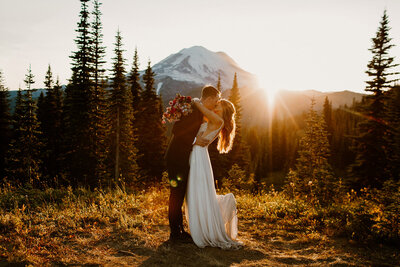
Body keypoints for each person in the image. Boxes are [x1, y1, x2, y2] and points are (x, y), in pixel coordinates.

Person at [184, 98, 243, 249]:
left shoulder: (218, 121)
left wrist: (196, 101)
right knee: (198, 191)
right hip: (198, 154)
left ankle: (204, 228)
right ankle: (202, 223)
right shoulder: (215, 120)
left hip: (199, 155)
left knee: (198, 191)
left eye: (218, 105)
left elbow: (202, 109)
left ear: (223, 110)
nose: (215, 107)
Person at [165, 85, 221, 243]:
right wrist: (196, 141)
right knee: (176, 194)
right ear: (208, 98)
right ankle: (175, 233)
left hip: (182, 157)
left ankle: (180, 229)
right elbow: (177, 130)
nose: (215, 105)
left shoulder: (198, 109)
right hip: (176, 157)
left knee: (180, 194)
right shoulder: (194, 110)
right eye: (215, 101)